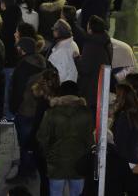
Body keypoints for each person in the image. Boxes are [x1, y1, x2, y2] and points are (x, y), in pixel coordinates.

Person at [36, 80, 93, 196]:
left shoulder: (51, 113)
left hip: (56, 163)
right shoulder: (86, 113)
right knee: (77, 193)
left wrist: (48, 154)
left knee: (55, 192)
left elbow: (42, 137)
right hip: (79, 163)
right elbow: (89, 139)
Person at [9, 37, 46, 182]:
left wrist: (14, 107)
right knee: (33, 141)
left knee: (24, 143)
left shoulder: (23, 66)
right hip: (38, 109)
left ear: (22, 49)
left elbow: (17, 90)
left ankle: (23, 173)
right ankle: (31, 168)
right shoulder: (42, 61)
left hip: (25, 110)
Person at [72, 15, 112, 111]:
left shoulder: (90, 44)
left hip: (90, 86)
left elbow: (84, 69)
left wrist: (76, 58)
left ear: (90, 29)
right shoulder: (105, 40)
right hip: (101, 83)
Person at [111, 84, 138, 195]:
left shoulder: (124, 117)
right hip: (133, 158)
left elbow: (120, 142)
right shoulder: (136, 112)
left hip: (124, 161)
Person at [48, 19, 79, 83]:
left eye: (54, 30)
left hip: (63, 87)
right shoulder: (73, 43)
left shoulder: (60, 52)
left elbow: (60, 76)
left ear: (57, 32)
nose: (53, 31)